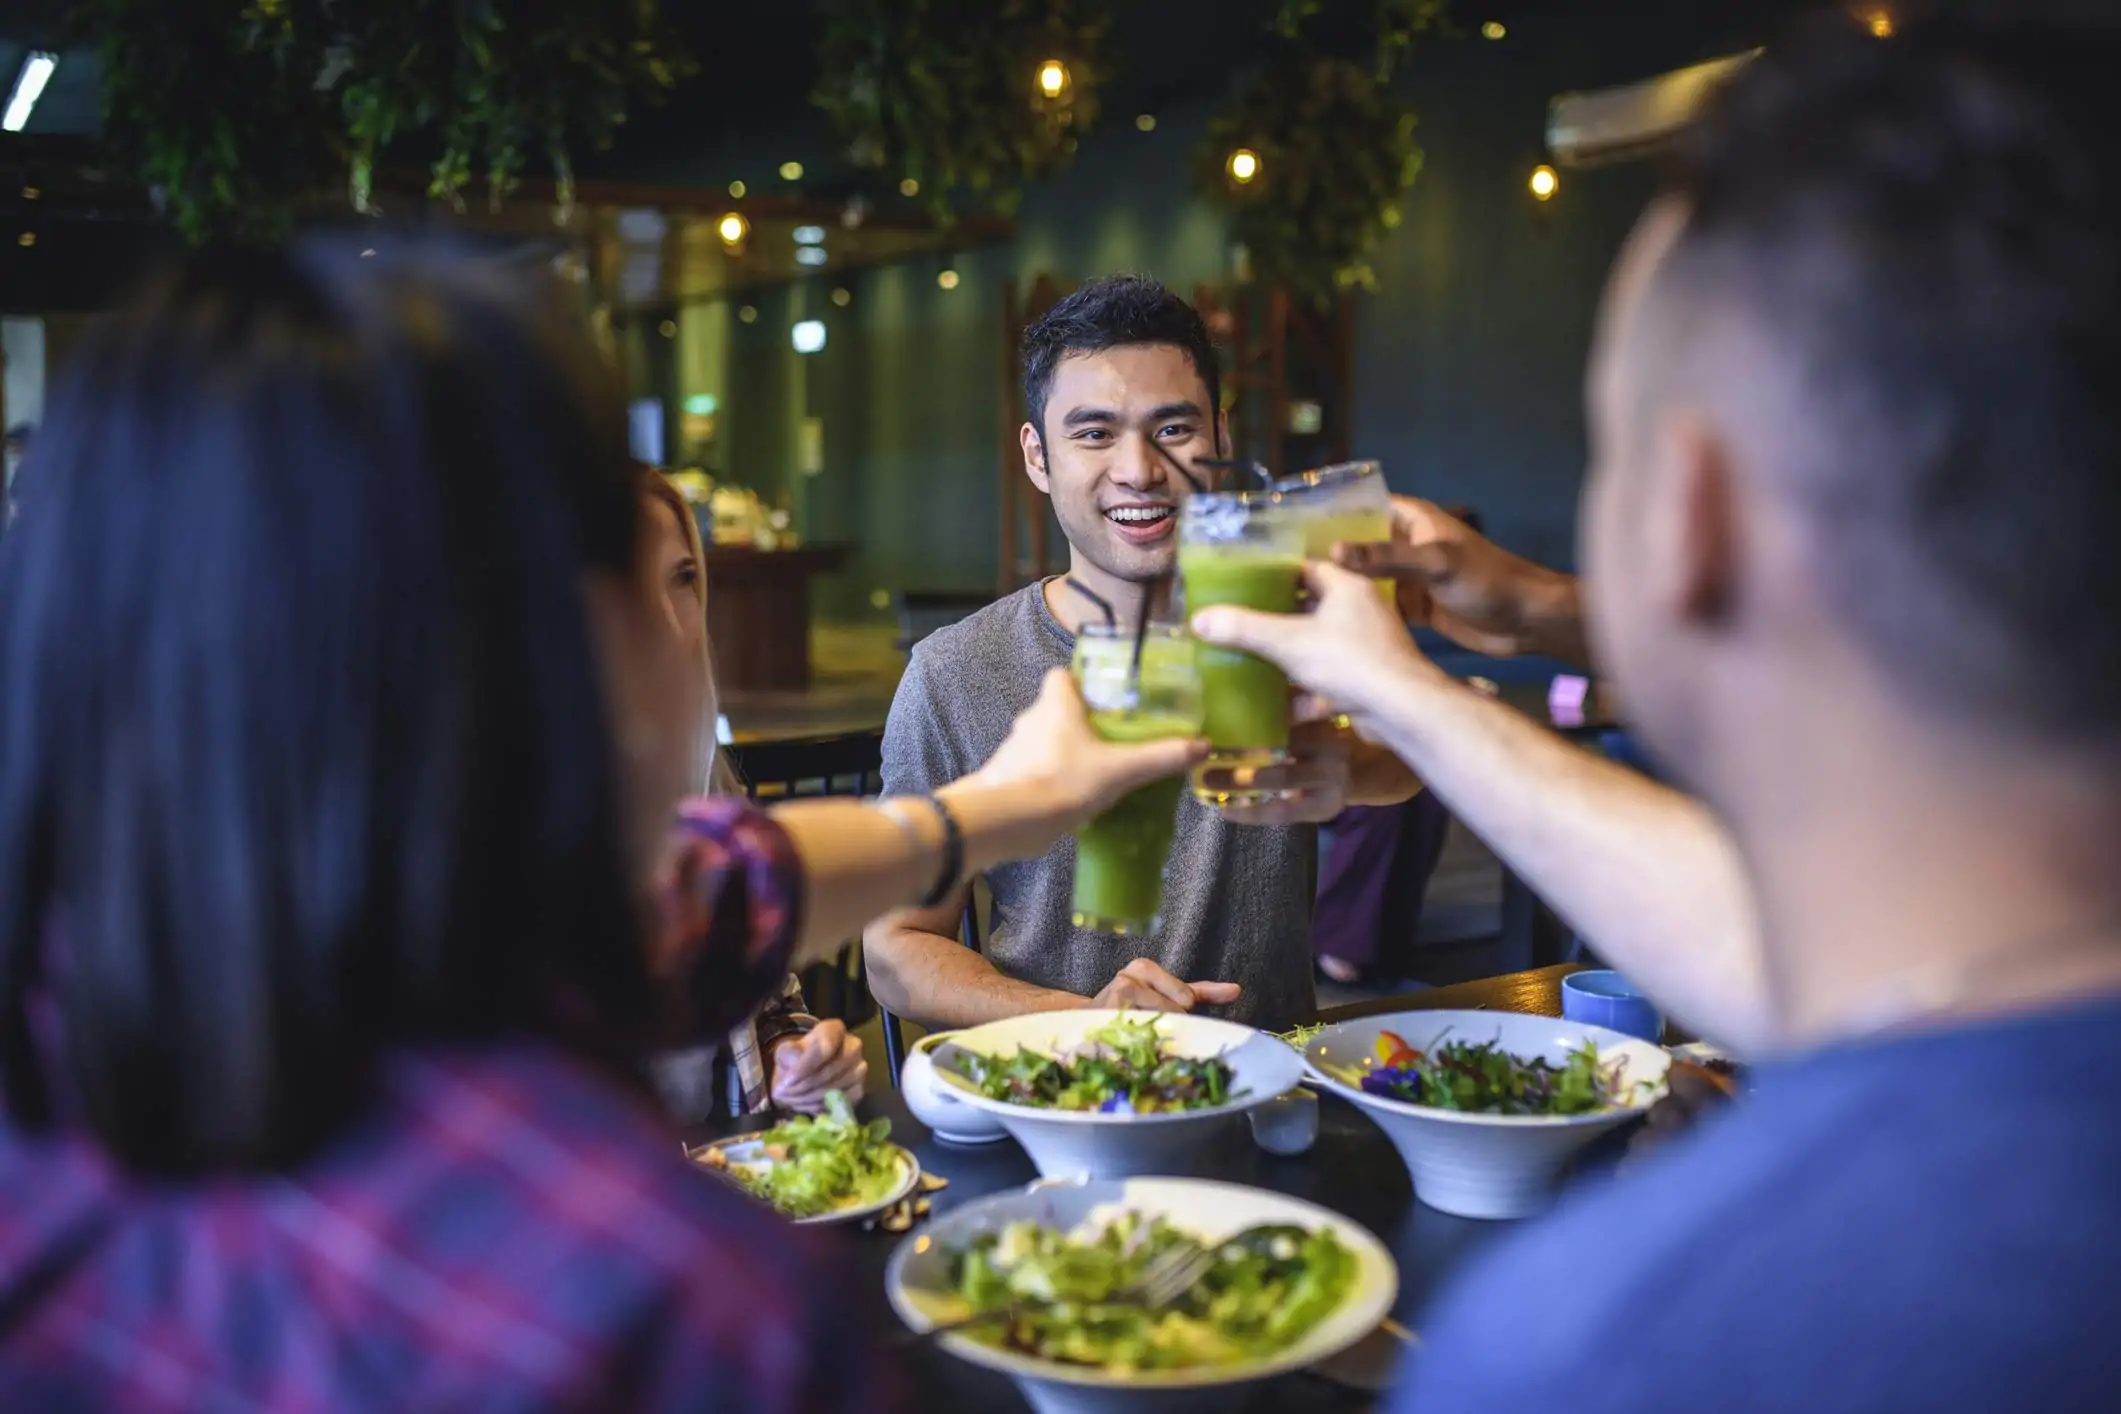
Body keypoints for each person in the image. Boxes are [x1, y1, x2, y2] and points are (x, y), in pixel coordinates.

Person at [0, 240, 1201, 1409]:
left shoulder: (86, 1044)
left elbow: (715, 888)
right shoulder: (686, 1310)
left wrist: (984, 814)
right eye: (633, 566)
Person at [1196, 11, 2121, 1409]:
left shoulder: (1588, 1351)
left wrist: (1408, 686)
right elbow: (1832, 974)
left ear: (1688, 511)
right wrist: (1520, 624)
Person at [867, 275, 1414, 1034]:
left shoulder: (1289, 615)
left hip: (1275, 1092)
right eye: (1093, 433)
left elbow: (1406, 768)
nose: (1139, 470)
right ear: (1036, 455)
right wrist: (1084, 1023)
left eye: (1173, 429)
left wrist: (1341, 759)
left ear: (1220, 436)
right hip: (1064, 1105)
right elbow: (897, 945)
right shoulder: (953, 672)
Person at [634, 468, 865, 1119]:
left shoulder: (700, 775)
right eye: (629, 582)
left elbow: (769, 1004)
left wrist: (798, 1054)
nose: (671, 621)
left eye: (682, 579)